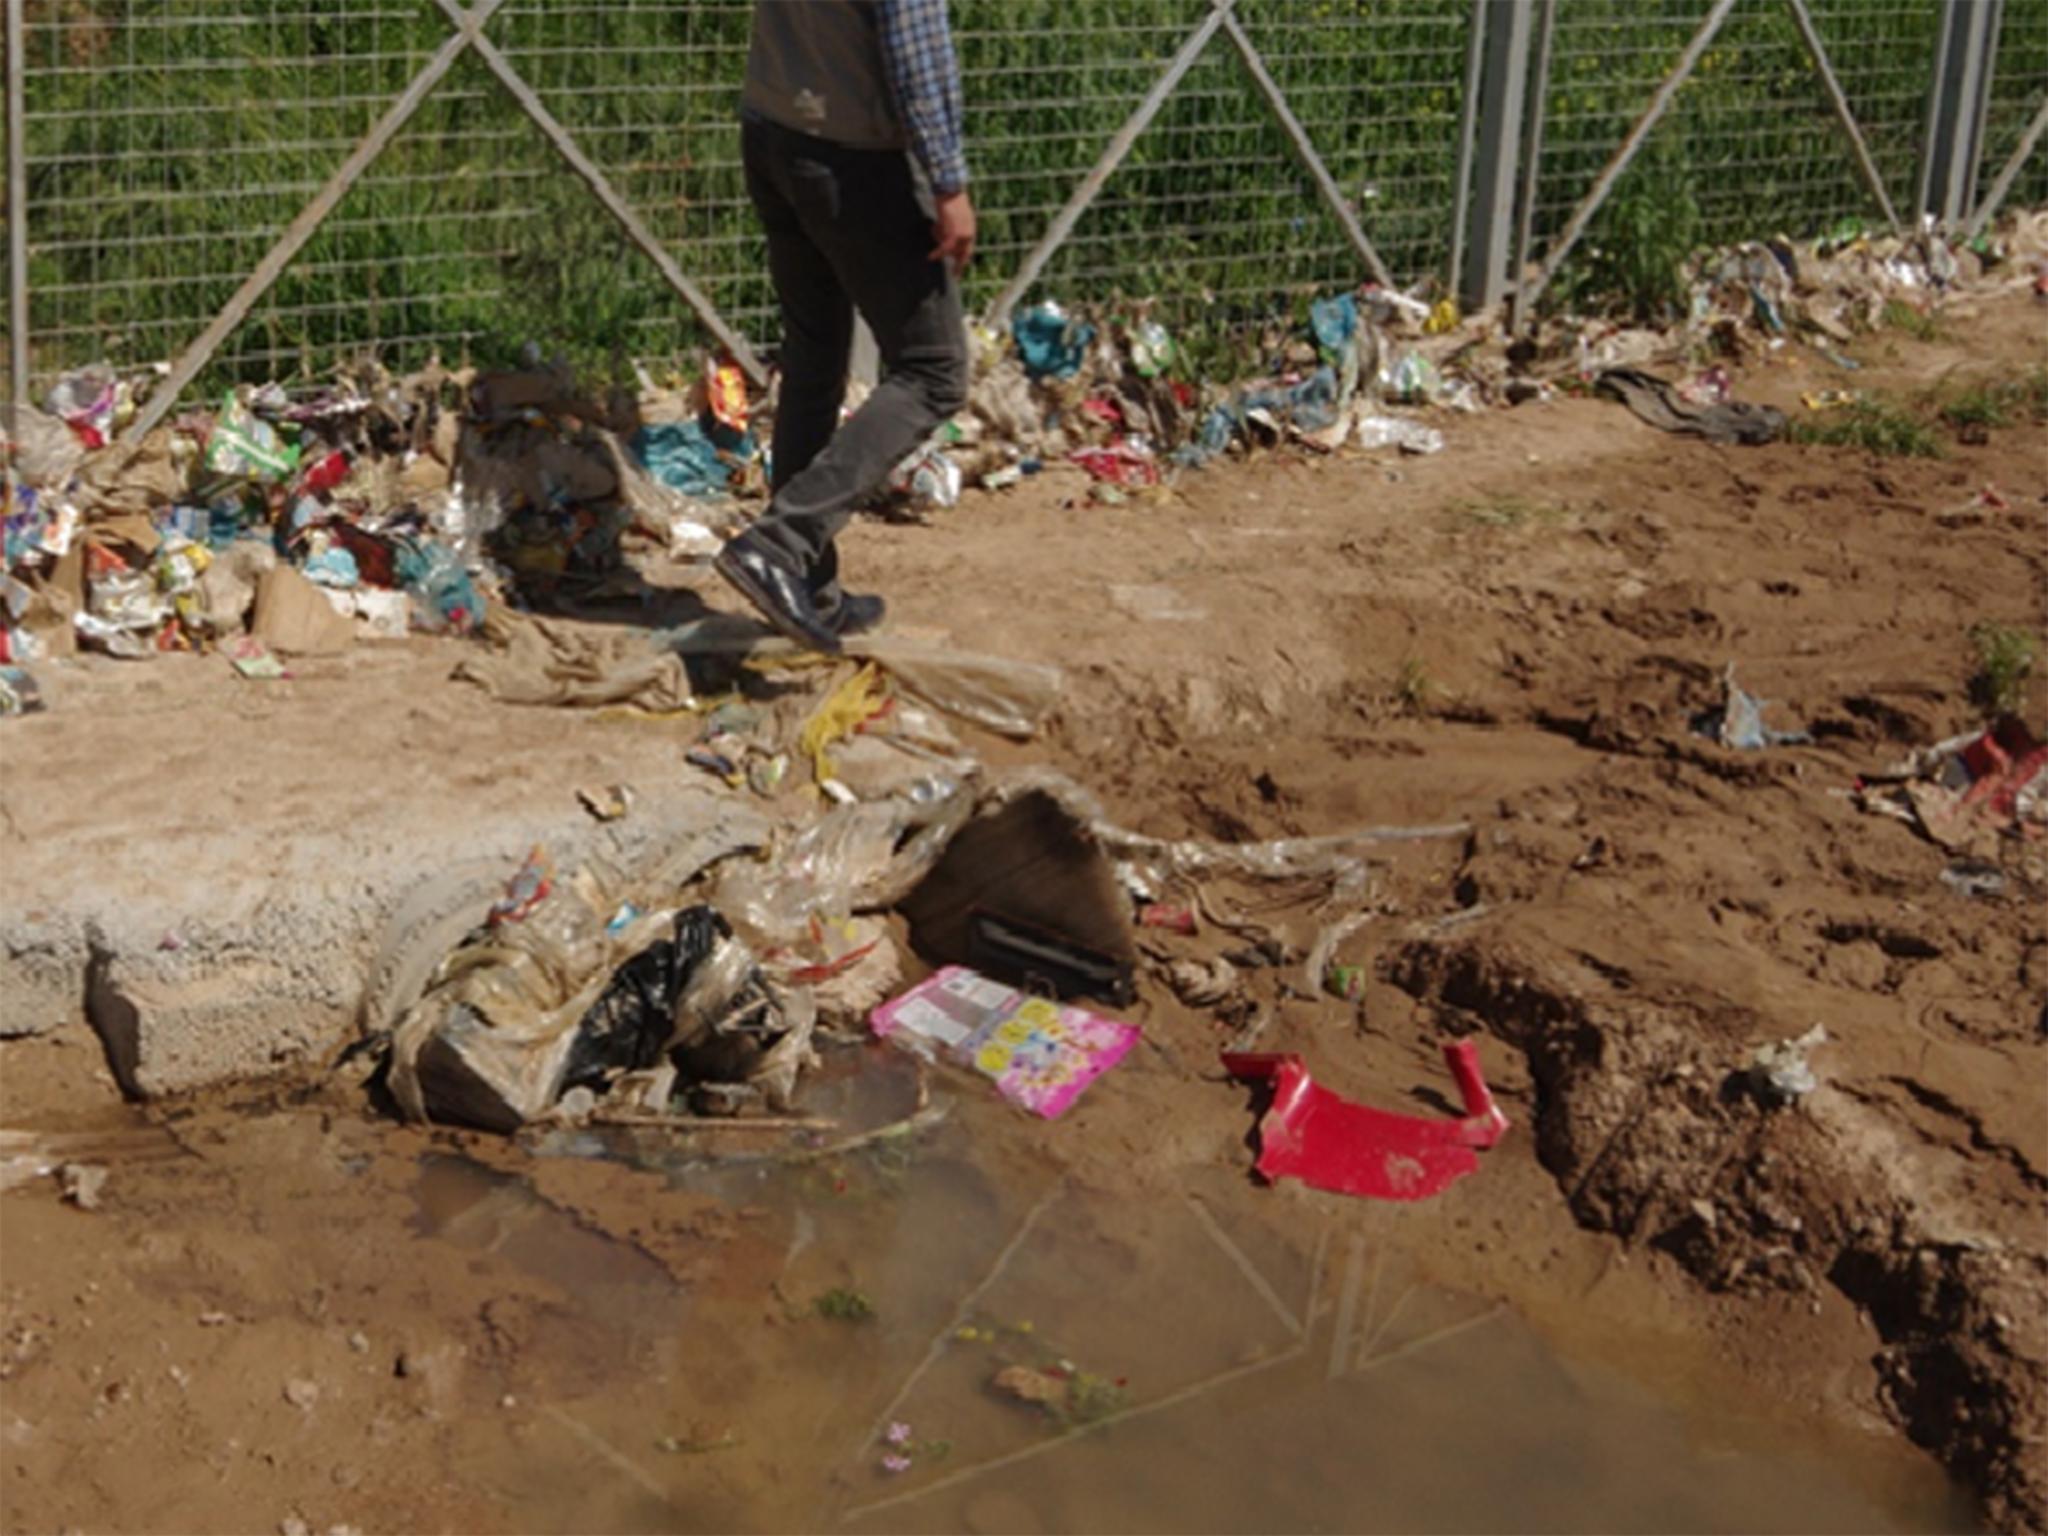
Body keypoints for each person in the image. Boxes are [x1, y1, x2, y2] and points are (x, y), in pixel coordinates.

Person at [715, 0, 975, 654]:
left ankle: (809, 587)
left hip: (771, 131)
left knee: (814, 356)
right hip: (853, 157)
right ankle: (780, 544)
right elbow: (918, 51)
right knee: (934, 370)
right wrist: (949, 184)